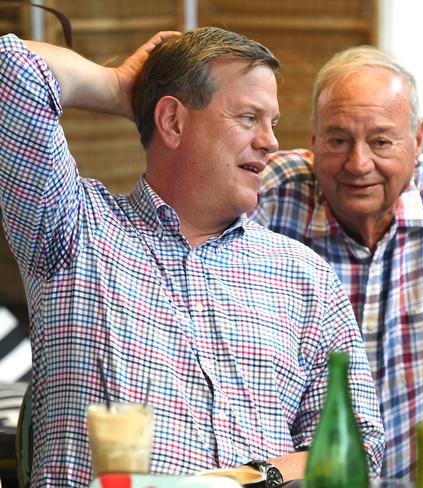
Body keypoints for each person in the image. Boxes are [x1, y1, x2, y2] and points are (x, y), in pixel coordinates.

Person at [0, 28, 385, 487]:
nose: (270, 142)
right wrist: (119, 87)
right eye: (248, 118)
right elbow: (12, 68)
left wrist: (253, 477)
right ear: (174, 122)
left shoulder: (304, 276)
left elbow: (359, 445)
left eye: (273, 123)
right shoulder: (74, 230)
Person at [249, 46, 423, 486]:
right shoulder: (268, 195)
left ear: (418, 139)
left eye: (381, 141)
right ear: (313, 136)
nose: (359, 163)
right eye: (338, 140)